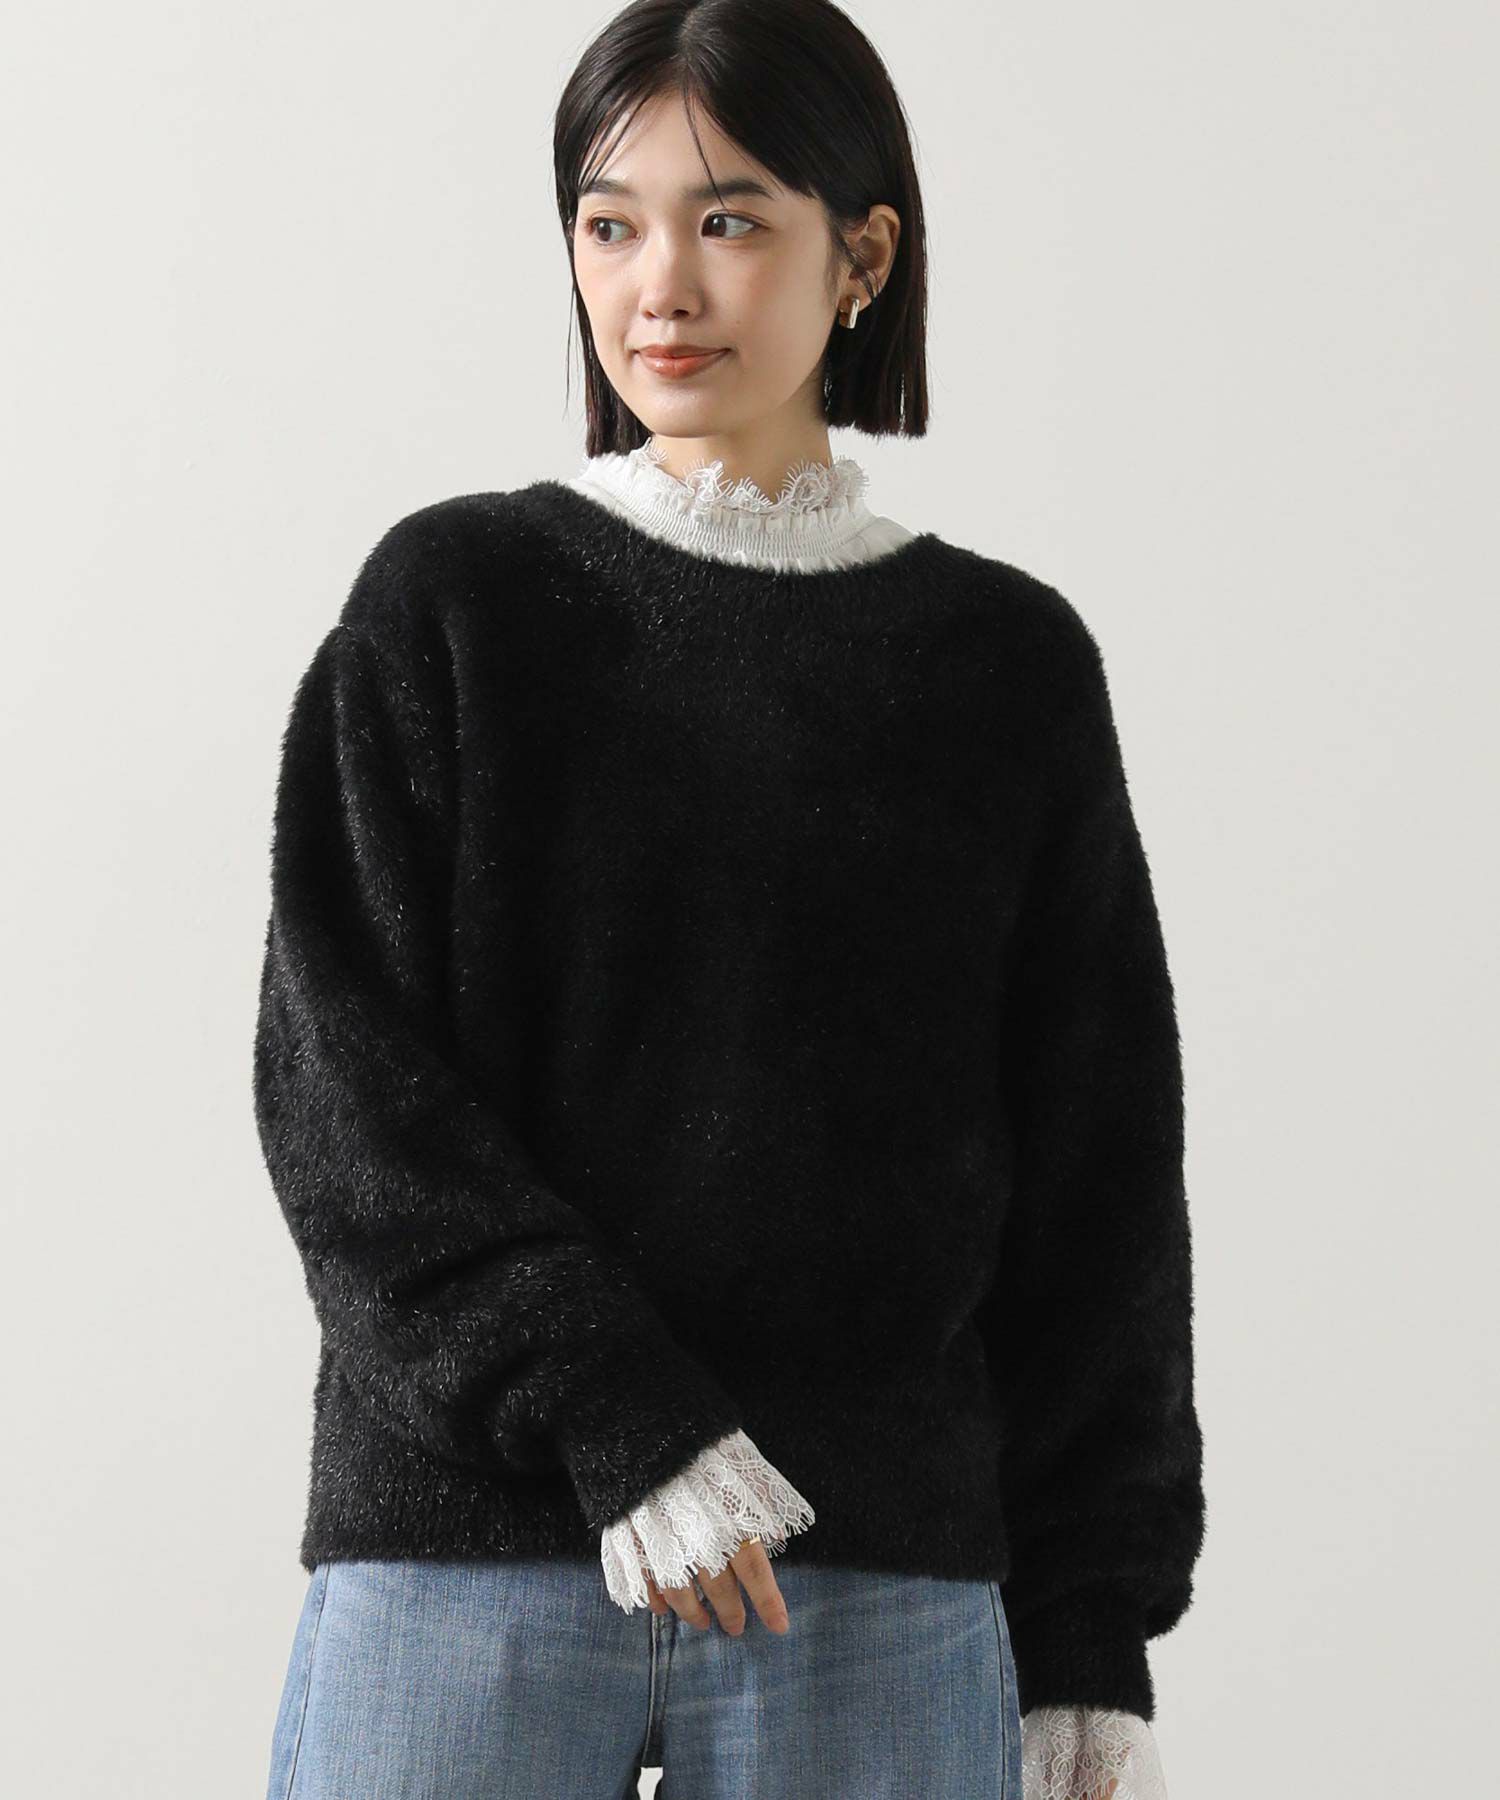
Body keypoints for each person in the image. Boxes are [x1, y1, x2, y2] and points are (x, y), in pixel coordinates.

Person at [255, 3, 1205, 1796]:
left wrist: (1091, 1630)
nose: (660, 287)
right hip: (473, 1555)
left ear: (865, 256)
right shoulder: (454, 603)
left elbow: (1098, 1186)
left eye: (731, 219)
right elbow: (345, 1097)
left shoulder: (1004, 665)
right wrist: (623, 1421)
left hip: (874, 1579)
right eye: (609, 223)